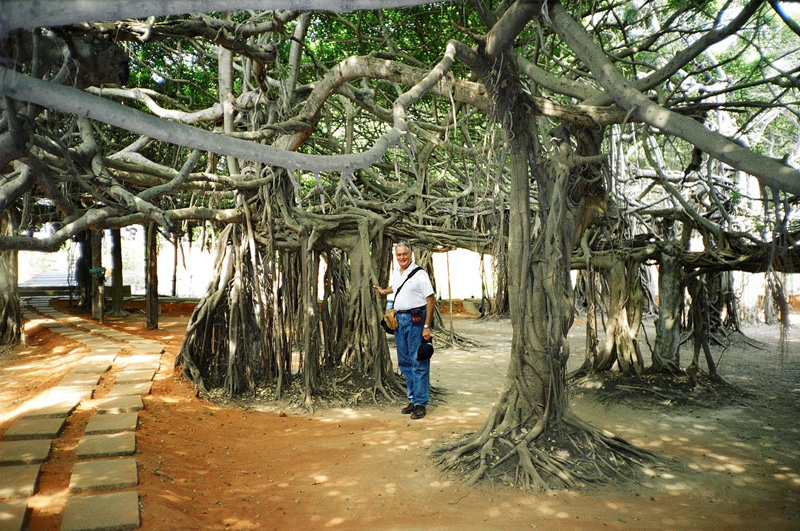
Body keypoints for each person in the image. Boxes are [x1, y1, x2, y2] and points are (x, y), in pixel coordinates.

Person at [373, 241, 435, 419]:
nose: (402, 257)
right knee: (405, 362)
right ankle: (413, 398)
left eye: (405, 254)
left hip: (416, 320)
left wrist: (426, 326)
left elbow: (430, 300)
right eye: (399, 254)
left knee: (418, 361)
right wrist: (385, 291)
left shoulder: (420, 274)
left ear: (411, 254)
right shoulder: (397, 272)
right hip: (399, 321)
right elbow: (398, 287)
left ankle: (421, 403)